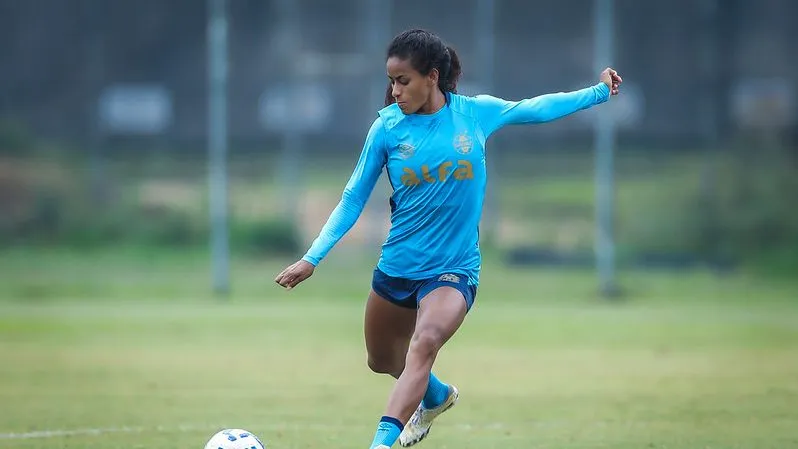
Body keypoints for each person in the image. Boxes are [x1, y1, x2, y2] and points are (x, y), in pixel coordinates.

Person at [275, 28, 622, 449]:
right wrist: (312, 258)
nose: (395, 90)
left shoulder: (474, 114)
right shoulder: (386, 129)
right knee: (382, 359)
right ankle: (436, 396)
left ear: (432, 77)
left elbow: (537, 108)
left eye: (403, 80)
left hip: (453, 270)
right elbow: (352, 199)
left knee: (424, 344)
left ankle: (380, 444)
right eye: (391, 81)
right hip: (398, 266)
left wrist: (599, 93)